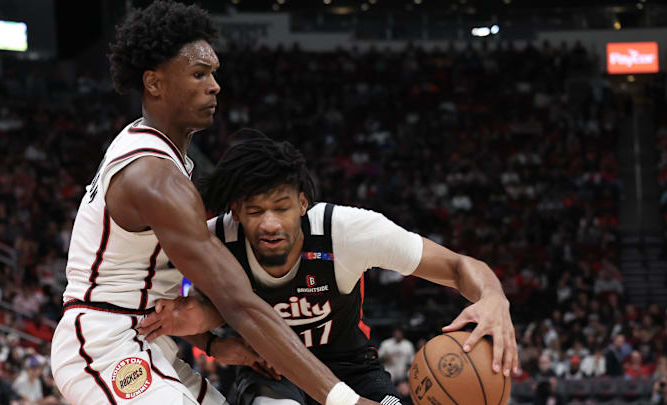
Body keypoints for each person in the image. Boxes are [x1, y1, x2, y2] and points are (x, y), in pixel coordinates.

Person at [50, 2, 378, 405]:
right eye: (199, 74)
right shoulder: (155, 178)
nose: (214, 85)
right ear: (154, 83)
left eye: (214, 74)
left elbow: (147, 281)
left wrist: (214, 344)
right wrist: (347, 400)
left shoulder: (155, 153)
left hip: (147, 338)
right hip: (103, 346)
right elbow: (239, 302)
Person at [138, 131, 518, 405]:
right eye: (255, 211)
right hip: (272, 372)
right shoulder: (214, 240)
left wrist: (493, 296)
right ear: (235, 212)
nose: (270, 224)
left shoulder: (348, 231)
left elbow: (457, 266)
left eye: (281, 207)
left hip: (351, 365)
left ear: (303, 203)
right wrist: (215, 344)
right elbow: (169, 308)